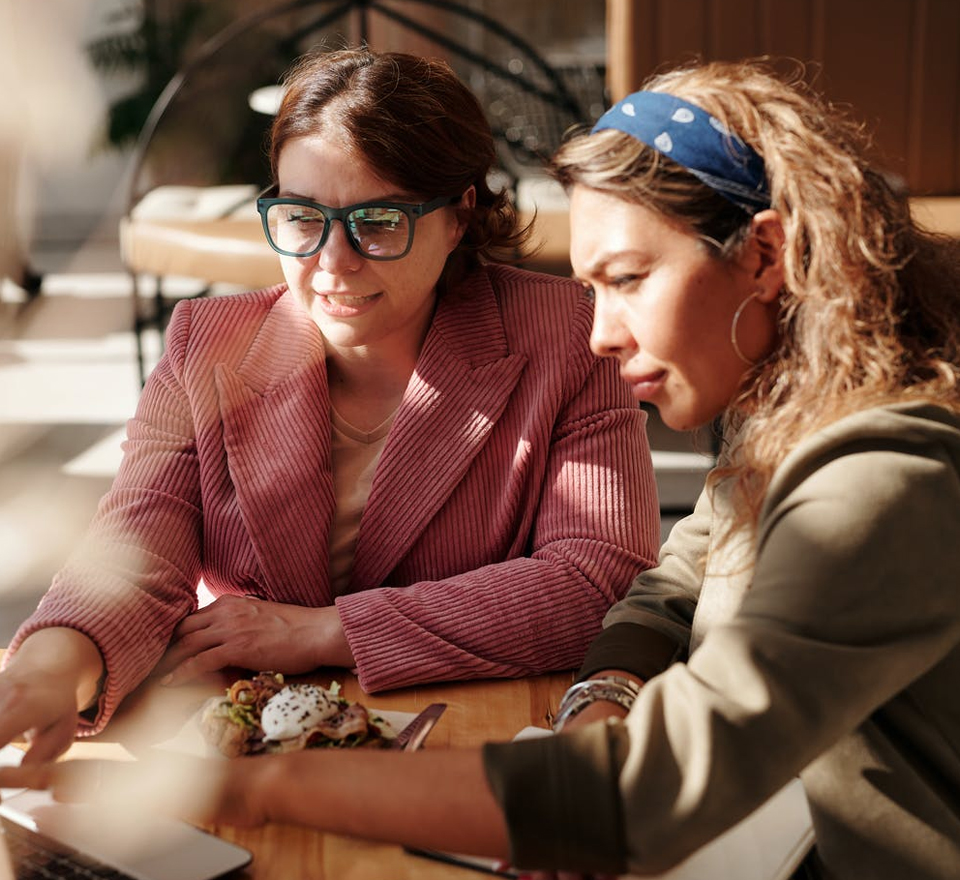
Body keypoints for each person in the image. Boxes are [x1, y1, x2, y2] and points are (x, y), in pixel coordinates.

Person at [7, 56, 960, 880]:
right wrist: (59, 658)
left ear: (766, 256)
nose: (597, 332)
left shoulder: (877, 477)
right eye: (299, 216)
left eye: (625, 280)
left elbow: (639, 761)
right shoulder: (788, 425)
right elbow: (675, 578)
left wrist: (259, 777)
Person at [0, 48, 659, 761]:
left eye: (377, 221)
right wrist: (51, 665)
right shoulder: (207, 343)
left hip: (471, 738)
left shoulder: (564, 336)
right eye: (301, 216)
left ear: (459, 215)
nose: (332, 262)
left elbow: (599, 578)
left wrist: (322, 631)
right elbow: (135, 549)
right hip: (252, 742)